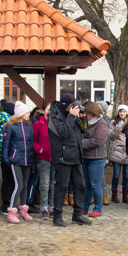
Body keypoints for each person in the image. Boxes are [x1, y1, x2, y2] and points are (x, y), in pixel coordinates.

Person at [48, 93, 90, 226]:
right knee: (61, 187)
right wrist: (72, 116)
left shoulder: (73, 114)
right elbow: (64, 133)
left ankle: (77, 215)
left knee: (80, 186)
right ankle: (57, 216)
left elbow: (84, 131)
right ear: (68, 106)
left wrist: (83, 118)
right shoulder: (54, 116)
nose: (76, 107)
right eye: (73, 105)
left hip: (76, 155)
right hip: (62, 157)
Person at [1, 101, 35, 223]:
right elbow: (6, 145)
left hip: (27, 159)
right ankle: (11, 211)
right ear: (20, 114)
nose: (28, 114)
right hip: (16, 160)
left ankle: (23, 210)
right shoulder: (10, 127)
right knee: (19, 185)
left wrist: (33, 161)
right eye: (26, 112)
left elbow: (31, 144)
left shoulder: (29, 127)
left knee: (25, 185)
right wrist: (6, 159)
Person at [80, 102, 108, 218]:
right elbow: (82, 134)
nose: (86, 115)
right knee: (87, 185)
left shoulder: (101, 124)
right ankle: (85, 207)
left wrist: (82, 143)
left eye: (87, 114)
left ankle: (98, 208)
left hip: (97, 158)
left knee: (95, 184)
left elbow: (97, 141)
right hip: (85, 156)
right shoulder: (86, 122)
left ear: (93, 113)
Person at [32, 103, 53, 217]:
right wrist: (39, 149)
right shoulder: (37, 124)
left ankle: (52, 207)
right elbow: (33, 140)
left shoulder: (57, 124)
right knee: (44, 184)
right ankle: (44, 208)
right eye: (48, 109)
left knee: (53, 185)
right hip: (43, 158)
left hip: (54, 158)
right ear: (43, 110)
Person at [108, 105, 128, 204]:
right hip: (116, 151)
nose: (122, 114)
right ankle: (114, 195)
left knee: (127, 175)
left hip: (127, 151)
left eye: (124, 112)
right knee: (116, 174)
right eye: (121, 111)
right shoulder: (113, 122)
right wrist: (118, 128)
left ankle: (125, 195)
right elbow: (111, 136)